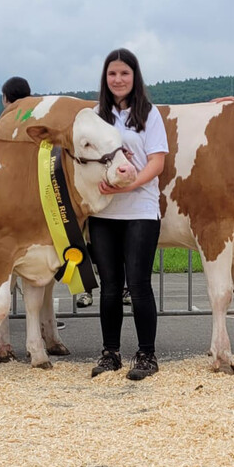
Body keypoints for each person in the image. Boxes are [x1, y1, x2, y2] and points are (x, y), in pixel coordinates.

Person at [88, 48, 166, 381]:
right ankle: (110, 353)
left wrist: (128, 186)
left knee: (138, 285)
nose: (118, 79)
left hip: (140, 210)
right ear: (105, 79)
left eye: (124, 73)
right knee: (109, 287)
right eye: (112, 74)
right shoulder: (94, 116)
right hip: (104, 210)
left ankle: (146, 355)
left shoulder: (149, 115)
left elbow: (157, 163)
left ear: (135, 77)